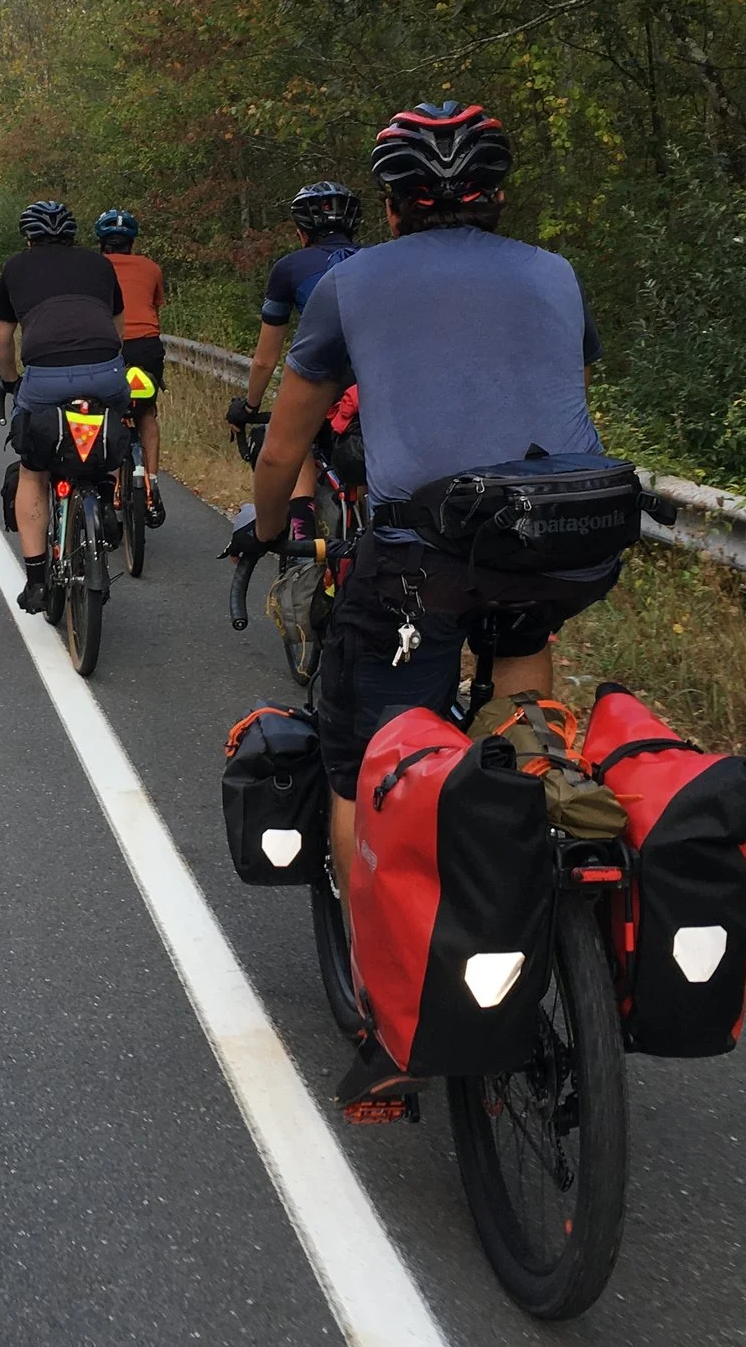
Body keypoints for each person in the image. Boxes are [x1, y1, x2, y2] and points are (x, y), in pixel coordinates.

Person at [225, 102, 612, 902]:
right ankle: (535, 808)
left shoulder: (349, 283)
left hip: (424, 562)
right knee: (521, 652)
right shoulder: (556, 274)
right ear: (497, 197)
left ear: (392, 207)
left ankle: (373, 956)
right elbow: (567, 404)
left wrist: (267, 531)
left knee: (361, 759)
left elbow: (284, 450)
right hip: (567, 538)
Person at [0, 199, 127, 614]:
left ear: (29, 238)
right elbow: (117, 328)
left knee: (33, 470)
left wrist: (10, 381)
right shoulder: (100, 265)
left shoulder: (16, 267)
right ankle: (106, 499)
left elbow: (1, 338)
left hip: (46, 375)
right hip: (106, 368)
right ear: (72, 235)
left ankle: (36, 581)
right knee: (114, 425)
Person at [228, 182, 361, 544]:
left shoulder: (289, 268)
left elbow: (264, 359)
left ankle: (301, 533)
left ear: (302, 232)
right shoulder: (378, 260)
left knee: (295, 440)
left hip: (328, 383)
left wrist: (249, 406)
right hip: (378, 384)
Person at [94, 208, 168, 528]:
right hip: (147, 348)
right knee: (147, 413)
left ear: (101, 242)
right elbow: (154, 308)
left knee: (108, 412)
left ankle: (111, 488)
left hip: (109, 345)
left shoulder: (94, 267)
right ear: (132, 242)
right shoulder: (151, 268)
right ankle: (152, 486)